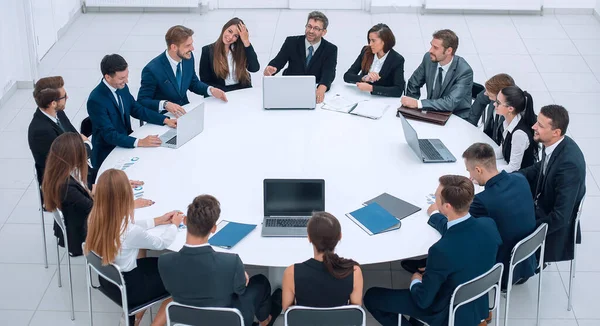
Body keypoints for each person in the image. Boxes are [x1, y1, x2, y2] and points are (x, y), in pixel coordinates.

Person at [364, 175, 501, 326]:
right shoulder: (489, 225)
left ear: (447, 206)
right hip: (477, 300)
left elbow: (423, 300)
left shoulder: (440, 251)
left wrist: (416, 281)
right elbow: (459, 234)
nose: (435, 200)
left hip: (445, 311)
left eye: (436, 197)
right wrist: (436, 215)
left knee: (372, 297)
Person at [158, 195, 281, 326]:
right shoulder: (230, 262)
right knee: (261, 282)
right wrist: (239, 276)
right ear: (213, 228)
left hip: (187, 318)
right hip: (225, 318)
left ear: (185, 221)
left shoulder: (164, 261)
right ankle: (265, 321)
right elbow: (240, 290)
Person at [84, 168, 183, 326]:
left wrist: (157, 220)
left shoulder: (94, 218)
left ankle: (134, 319)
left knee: (153, 259)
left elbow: (127, 228)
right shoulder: (129, 232)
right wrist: (174, 225)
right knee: (182, 281)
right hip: (130, 288)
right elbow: (161, 243)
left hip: (108, 281)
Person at [87, 54, 177, 173]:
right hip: (108, 153)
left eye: (127, 76)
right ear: (108, 77)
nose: (126, 81)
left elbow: (136, 109)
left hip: (126, 142)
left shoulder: (122, 87)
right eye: (121, 78)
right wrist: (140, 142)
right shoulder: (96, 100)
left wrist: (164, 120)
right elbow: (109, 135)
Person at [519, 105, 586, 263]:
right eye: (537, 122)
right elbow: (539, 168)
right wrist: (508, 178)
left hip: (553, 226)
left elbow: (560, 217)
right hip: (542, 207)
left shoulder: (569, 166)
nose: (534, 127)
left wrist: (528, 227)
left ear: (556, 132)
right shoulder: (552, 143)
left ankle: (524, 268)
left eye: (540, 126)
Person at [138, 25, 227, 117]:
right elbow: (142, 100)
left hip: (185, 111)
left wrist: (210, 90)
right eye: (188, 45)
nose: (192, 49)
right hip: (165, 117)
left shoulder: (188, 57)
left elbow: (193, 83)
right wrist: (165, 104)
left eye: (191, 44)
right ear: (174, 47)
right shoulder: (152, 70)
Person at [281, 212, 363, 311]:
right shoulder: (354, 272)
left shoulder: (291, 273)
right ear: (340, 236)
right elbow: (355, 311)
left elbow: (288, 312)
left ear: (309, 238)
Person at [28, 76, 91, 186]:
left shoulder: (59, 113)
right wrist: (86, 144)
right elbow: (70, 159)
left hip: (77, 171)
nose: (68, 97)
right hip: (63, 184)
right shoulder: (41, 131)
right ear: (53, 103)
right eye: (64, 97)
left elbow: (75, 137)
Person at [264, 11, 337, 104]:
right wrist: (271, 68)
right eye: (309, 26)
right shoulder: (291, 42)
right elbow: (278, 61)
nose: (311, 31)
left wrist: (322, 88)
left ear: (323, 32)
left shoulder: (330, 49)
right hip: (290, 86)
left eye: (316, 28)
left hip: (314, 87)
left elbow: (329, 72)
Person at [401, 29, 473, 119]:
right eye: (431, 46)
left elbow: (450, 103)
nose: (430, 50)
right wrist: (411, 107)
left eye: (435, 48)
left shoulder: (464, 71)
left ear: (449, 51)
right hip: (431, 111)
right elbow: (414, 83)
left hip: (455, 116)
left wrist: (418, 104)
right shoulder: (429, 58)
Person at [41, 133, 92, 257]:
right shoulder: (66, 187)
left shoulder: (60, 173)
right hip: (82, 232)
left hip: (78, 218)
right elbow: (94, 207)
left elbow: (86, 189)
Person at [343, 23, 405, 97]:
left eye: (373, 41)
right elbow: (347, 76)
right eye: (369, 40)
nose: (370, 44)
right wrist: (364, 78)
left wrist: (371, 88)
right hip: (362, 96)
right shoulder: (366, 51)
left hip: (382, 99)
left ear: (384, 41)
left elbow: (398, 90)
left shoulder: (397, 60)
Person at [200, 18, 260, 92]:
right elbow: (205, 81)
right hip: (221, 92)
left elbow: (254, 68)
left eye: (235, 36)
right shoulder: (207, 51)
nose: (230, 37)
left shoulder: (241, 50)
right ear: (224, 28)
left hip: (241, 91)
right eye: (230, 31)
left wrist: (246, 42)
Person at [493, 86, 538, 172]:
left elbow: (514, 167)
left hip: (520, 178)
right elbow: (503, 150)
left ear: (510, 109)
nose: (494, 104)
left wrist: (488, 172)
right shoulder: (507, 122)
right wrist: (482, 157)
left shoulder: (519, 134)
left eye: (498, 102)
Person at [465, 73, 515, 144]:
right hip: (489, 136)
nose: (485, 94)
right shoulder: (494, 94)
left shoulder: (511, 116)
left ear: (500, 96)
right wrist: (471, 124)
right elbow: (480, 99)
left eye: (489, 95)